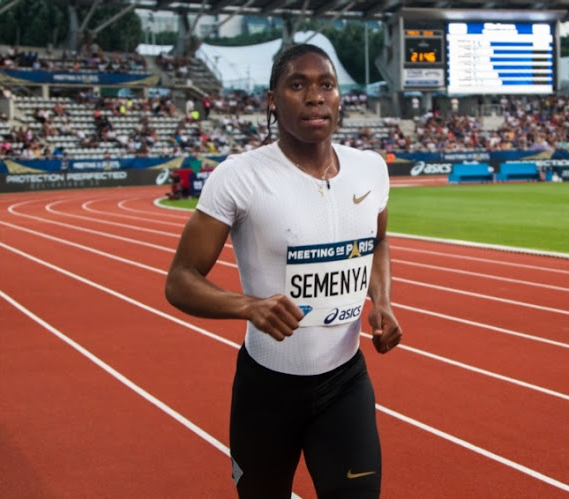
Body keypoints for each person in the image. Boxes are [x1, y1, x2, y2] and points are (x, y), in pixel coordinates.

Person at [164, 43, 402, 498]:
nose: (315, 97)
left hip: (344, 381)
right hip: (267, 390)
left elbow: (376, 242)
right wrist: (248, 305)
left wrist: (383, 302)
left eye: (326, 85)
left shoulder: (370, 168)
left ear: (338, 98)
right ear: (272, 101)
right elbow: (180, 280)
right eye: (298, 85)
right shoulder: (240, 177)